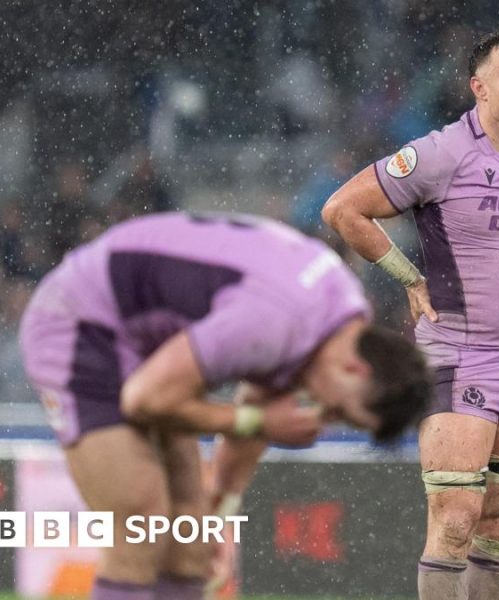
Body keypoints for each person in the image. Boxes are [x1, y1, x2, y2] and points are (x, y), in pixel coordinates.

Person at [18, 211, 432, 600]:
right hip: (81, 323)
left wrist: (219, 510)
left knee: (190, 541)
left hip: (149, 346)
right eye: (340, 411)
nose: (323, 418)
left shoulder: (341, 313)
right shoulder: (275, 321)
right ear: (355, 369)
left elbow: (259, 398)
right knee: (141, 524)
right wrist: (260, 421)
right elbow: (145, 399)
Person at [322, 30, 499, 600]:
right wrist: (408, 277)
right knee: (455, 519)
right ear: (480, 89)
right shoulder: (440, 154)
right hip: (459, 357)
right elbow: (344, 209)